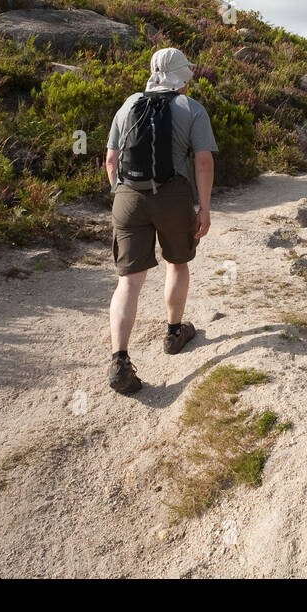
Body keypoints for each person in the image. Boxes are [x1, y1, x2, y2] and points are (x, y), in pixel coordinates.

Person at [104, 47, 217, 394]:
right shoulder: (191, 109)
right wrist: (204, 208)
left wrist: (123, 195)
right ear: (182, 76)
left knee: (128, 281)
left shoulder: (128, 105)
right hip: (173, 196)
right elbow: (202, 161)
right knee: (177, 262)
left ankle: (119, 359)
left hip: (127, 196)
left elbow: (110, 159)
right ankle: (173, 332)